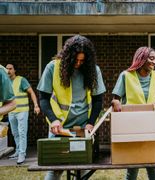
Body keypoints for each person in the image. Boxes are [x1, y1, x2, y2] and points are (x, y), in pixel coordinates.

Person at [37, 35, 106, 180]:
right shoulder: (53, 67)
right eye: (76, 60)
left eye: (82, 60)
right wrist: (53, 120)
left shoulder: (93, 70)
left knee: (82, 169)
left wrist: (91, 122)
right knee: (55, 170)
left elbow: (98, 100)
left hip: (82, 128)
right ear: (68, 56)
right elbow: (43, 98)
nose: (78, 63)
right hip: (59, 127)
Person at [111, 46, 155, 180]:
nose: (154, 62)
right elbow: (115, 99)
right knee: (132, 168)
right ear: (142, 59)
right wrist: (115, 102)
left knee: (153, 167)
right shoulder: (126, 75)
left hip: (152, 126)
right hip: (132, 127)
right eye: (151, 58)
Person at [5, 63, 40, 164]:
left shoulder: (21, 80)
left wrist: (36, 105)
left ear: (14, 70)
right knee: (15, 133)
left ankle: (22, 154)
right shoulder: (5, 82)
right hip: (11, 112)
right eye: (7, 69)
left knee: (22, 132)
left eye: (10, 69)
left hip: (22, 111)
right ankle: (17, 151)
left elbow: (32, 92)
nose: (8, 71)